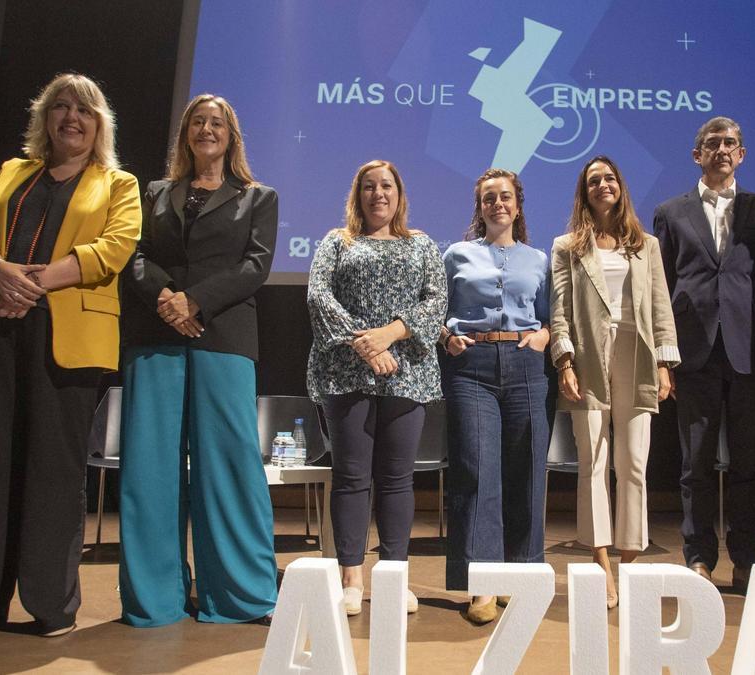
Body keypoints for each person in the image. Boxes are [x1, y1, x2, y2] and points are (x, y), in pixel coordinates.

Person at [0, 73, 140, 641]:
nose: (71, 118)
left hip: (68, 343)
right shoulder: (12, 172)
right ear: (44, 118)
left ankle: (52, 608)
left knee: (55, 475)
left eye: (84, 110)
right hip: (0, 330)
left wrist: (34, 282)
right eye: (60, 107)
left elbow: (114, 249)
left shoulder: (117, 183)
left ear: (99, 124)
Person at [117, 94, 278, 627]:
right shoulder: (154, 192)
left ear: (231, 136)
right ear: (185, 133)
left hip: (223, 337)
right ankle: (155, 600)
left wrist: (196, 302)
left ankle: (239, 596)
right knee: (150, 468)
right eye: (198, 122)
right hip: (155, 332)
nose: (207, 129)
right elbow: (131, 255)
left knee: (229, 467)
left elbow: (255, 266)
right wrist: (167, 298)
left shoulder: (257, 197)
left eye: (217, 123)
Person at [653, 117, 755, 593]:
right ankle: (699, 556)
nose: (722, 150)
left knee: (749, 461)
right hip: (693, 354)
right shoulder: (670, 213)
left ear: (742, 154)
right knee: (694, 463)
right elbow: (662, 290)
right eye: (712, 144)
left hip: (750, 352)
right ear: (697, 155)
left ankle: (747, 556)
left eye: (730, 143)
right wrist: (663, 358)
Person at [307, 160, 446, 616]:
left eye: (386, 186)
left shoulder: (422, 244)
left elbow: (435, 300)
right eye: (369, 187)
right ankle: (351, 578)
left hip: (408, 374)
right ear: (357, 195)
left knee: (396, 480)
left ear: (399, 194)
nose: (378, 194)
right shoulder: (337, 241)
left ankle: (393, 577)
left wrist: (391, 334)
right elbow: (318, 295)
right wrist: (365, 344)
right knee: (351, 478)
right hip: (346, 373)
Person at [550, 155, 678, 608]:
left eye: (609, 178)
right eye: (593, 181)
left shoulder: (647, 245)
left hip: (637, 357)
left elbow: (661, 308)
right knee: (593, 463)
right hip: (587, 359)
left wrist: (665, 364)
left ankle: (631, 565)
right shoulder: (567, 246)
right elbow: (560, 311)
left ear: (620, 186)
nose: (602, 185)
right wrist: (564, 362)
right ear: (584, 193)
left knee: (634, 465)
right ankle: (601, 566)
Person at [441, 168, 550, 625]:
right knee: (476, 471)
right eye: (489, 198)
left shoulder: (540, 259)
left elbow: (551, 317)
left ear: (518, 205)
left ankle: (520, 578)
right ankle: (480, 585)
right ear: (479, 206)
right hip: (473, 369)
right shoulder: (456, 255)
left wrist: (544, 334)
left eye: (505, 197)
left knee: (527, 473)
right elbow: (437, 310)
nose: (498, 204)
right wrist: (446, 335)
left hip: (527, 366)